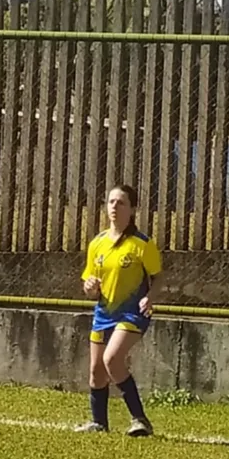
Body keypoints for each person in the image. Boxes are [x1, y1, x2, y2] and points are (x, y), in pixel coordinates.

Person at [76, 184, 163, 437]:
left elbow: (158, 278)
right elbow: (89, 285)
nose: (114, 207)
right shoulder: (97, 243)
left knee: (112, 359)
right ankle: (99, 423)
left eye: (121, 202)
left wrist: (149, 297)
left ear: (132, 209)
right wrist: (89, 286)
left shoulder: (142, 244)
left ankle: (140, 420)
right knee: (96, 371)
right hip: (104, 313)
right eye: (111, 202)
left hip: (132, 314)